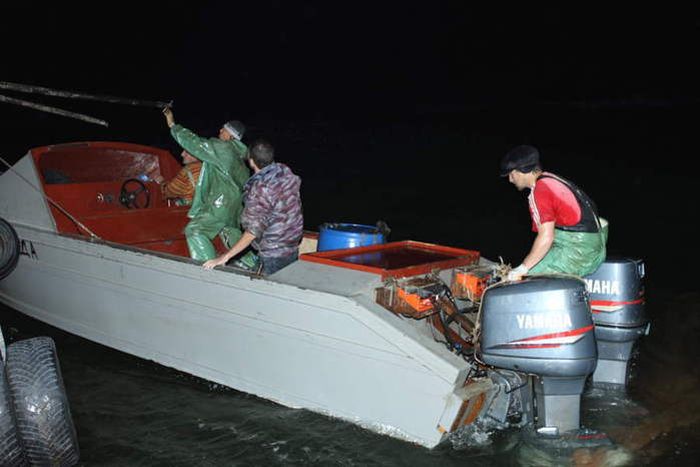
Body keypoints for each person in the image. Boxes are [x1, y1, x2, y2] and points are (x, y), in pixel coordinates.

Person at [501, 145, 607, 280]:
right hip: (595, 247)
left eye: (511, 174)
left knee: (524, 279)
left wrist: (523, 269)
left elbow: (546, 237)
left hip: (580, 253)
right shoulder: (551, 178)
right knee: (535, 260)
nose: (510, 180)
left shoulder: (540, 190)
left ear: (522, 170)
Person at [163, 107, 253, 263]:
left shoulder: (222, 148)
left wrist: (172, 125)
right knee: (232, 238)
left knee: (195, 230)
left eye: (224, 129)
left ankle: (207, 271)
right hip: (235, 208)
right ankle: (252, 265)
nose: (220, 130)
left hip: (220, 204)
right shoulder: (240, 159)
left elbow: (194, 143)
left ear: (231, 136)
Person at [203, 139, 303, 275]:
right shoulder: (285, 173)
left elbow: (252, 232)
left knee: (266, 288)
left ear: (251, 161)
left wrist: (224, 257)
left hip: (273, 254)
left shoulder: (260, 189)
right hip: (292, 248)